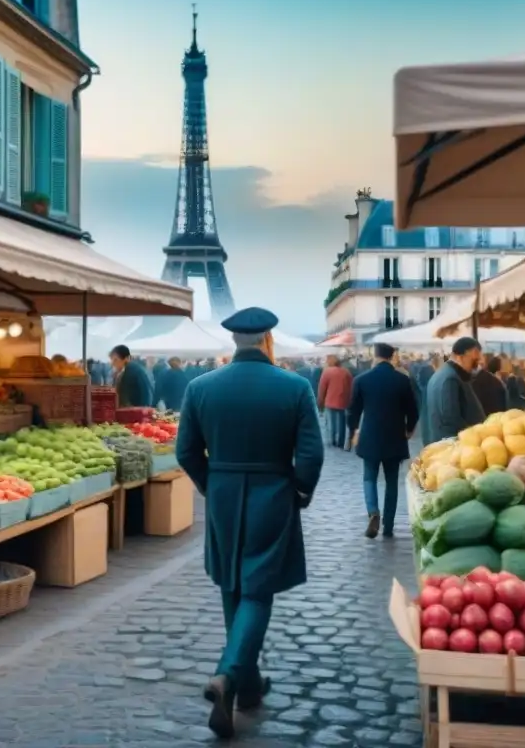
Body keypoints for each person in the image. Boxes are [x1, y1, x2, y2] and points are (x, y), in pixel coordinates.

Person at [175, 307, 323, 739]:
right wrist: (300, 490)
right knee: (257, 591)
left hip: (222, 492)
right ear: (268, 339)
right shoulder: (295, 386)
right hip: (272, 491)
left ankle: (248, 686)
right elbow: (311, 454)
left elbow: (186, 451)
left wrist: (211, 484)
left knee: (232, 583)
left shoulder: (200, 387)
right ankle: (228, 675)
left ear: (233, 341)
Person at [347, 342, 419, 539]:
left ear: (375, 355)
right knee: (392, 481)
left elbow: (353, 411)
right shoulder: (402, 380)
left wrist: (354, 431)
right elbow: (413, 410)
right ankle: (388, 525)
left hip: (370, 436)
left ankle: (373, 512)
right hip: (395, 437)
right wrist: (409, 429)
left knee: (369, 477)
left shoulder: (362, 380)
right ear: (391, 356)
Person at [424, 337, 486, 444]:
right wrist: (473, 436)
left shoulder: (444, 374)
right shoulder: (450, 378)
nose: (477, 366)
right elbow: (450, 417)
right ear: (460, 357)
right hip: (453, 443)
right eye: (474, 361)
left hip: (448, 441)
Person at [317, 354, 353, 449]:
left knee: (331, 422)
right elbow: (351, 387)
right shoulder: (346, 372)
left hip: (330, 401)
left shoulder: (327, 372)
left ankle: (332, 441)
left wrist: (320, 402)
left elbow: (322, 389)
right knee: (342, 423)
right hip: (343, 401)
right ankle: (341, 442)